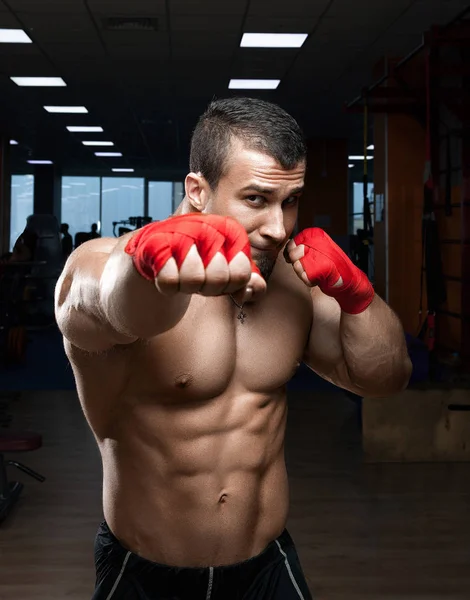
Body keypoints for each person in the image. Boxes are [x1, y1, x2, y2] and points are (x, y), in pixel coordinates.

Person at [55, 98, 412, 600]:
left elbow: (386, 377)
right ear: (198, 191)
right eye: (256, 199)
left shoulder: (294, 283)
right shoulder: (107, 264)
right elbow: (108, 305)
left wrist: (357, 295)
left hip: (266, 565)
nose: (279, 227)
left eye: (290, 201)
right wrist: (146, 271)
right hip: (145, 572)